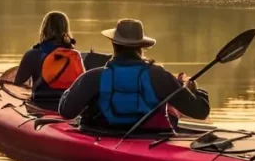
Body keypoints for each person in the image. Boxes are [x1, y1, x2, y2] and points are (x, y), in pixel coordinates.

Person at [58, 18, 210, 131]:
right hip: (152, 138)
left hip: (103, 134)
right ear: (142, 46)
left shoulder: (93, 77)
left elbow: (66, 111)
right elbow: (201, 111)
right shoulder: (160, 76)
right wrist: (194, 91)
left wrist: (68, 92)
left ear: (113, 43)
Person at [14, 11, 85, 109]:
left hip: (40, 105)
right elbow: (81, 85)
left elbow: (16, 84)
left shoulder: (32, 54)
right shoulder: (74, 55)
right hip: (67, 107)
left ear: (44, 29)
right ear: (66, 30)